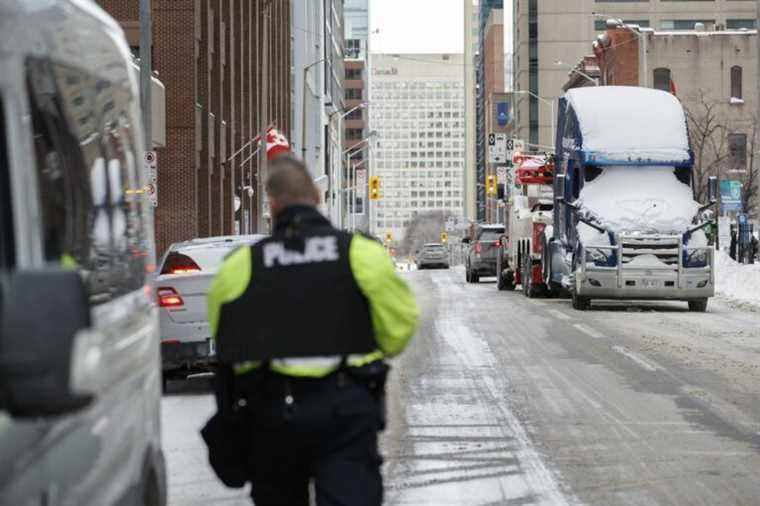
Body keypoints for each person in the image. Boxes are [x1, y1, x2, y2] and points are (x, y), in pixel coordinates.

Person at [204, 155, 418, 506]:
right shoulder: (359, 255)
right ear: (317, 198)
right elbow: (399, 327)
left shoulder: (241, 266)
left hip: (272, 415)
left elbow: (227, 342)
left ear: (272, 204)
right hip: (345, 412)